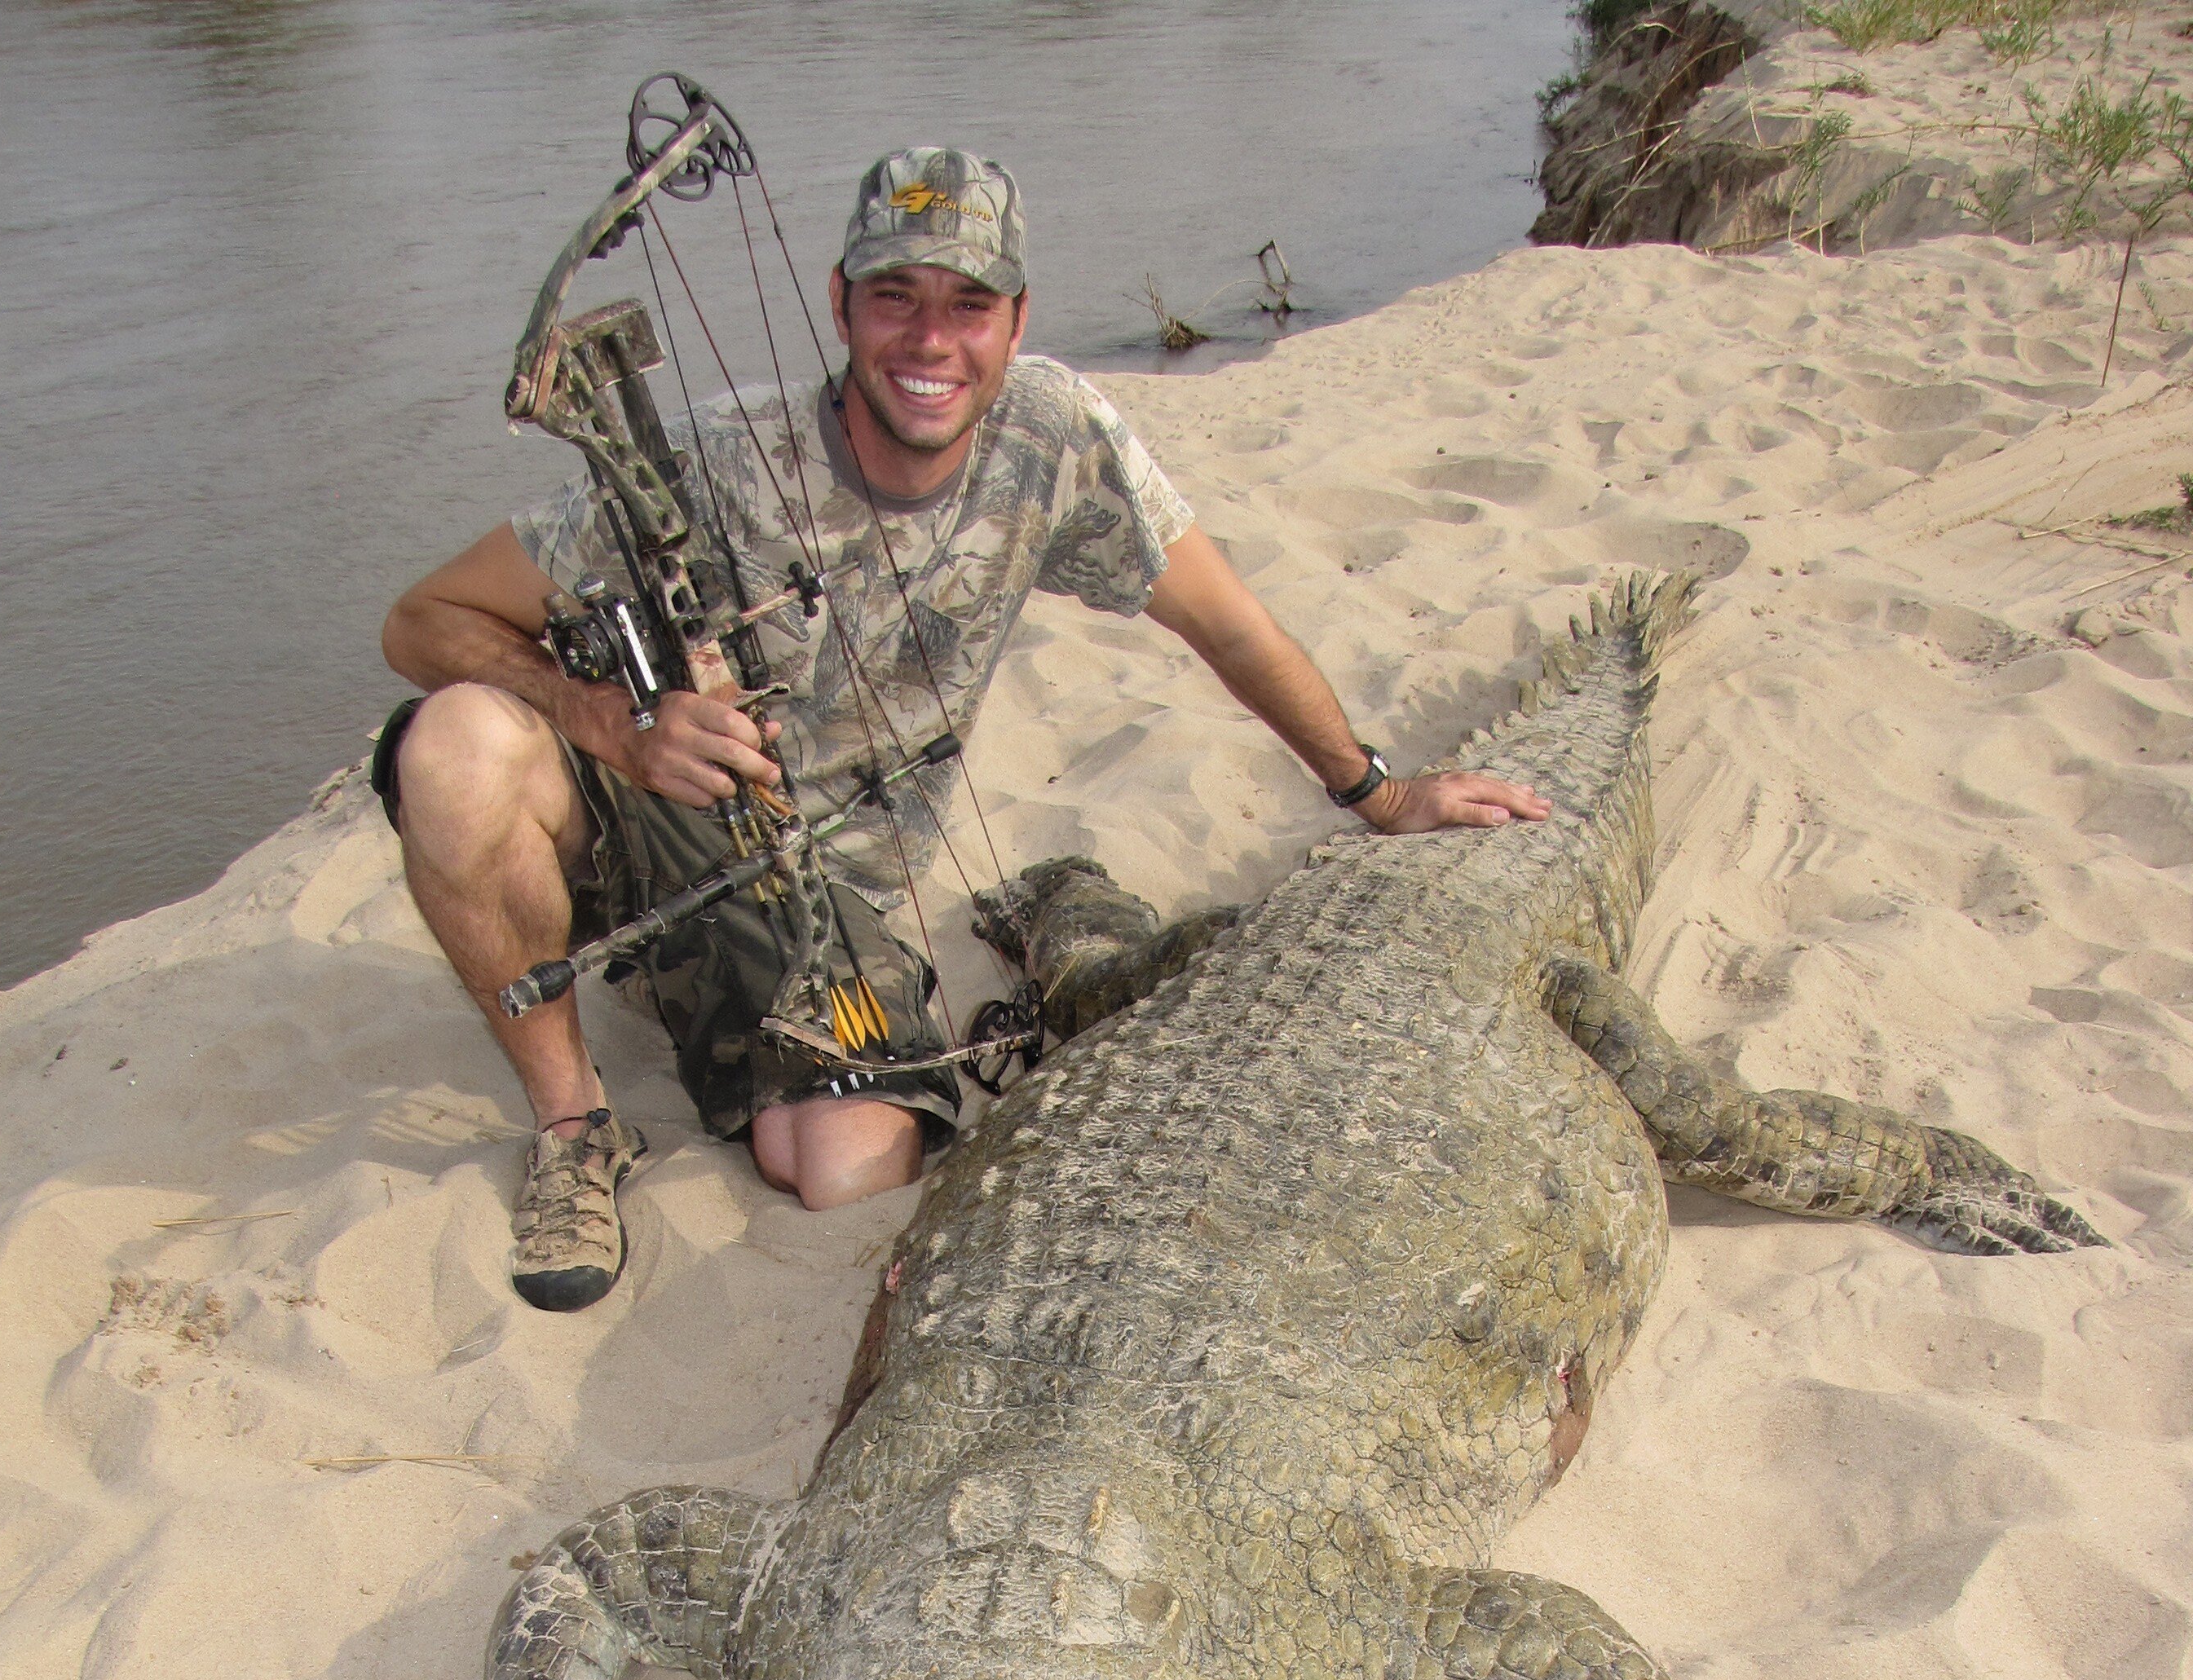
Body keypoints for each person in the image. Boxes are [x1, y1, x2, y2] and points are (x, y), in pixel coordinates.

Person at [378, 149, 1550, 1311]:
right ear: (839, 303)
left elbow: (1232, 627)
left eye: (968, 305)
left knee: (847, 1168)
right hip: (636, 834)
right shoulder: (710, 458)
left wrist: (1380, 795)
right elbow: (421, 620)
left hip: (819, 896)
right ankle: (573, 1123)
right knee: (455, 746)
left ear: (1017, 318)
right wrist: (613, 728)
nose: (930, 342)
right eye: (895, 298)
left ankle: (703, 1020)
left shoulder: (1056, 441)